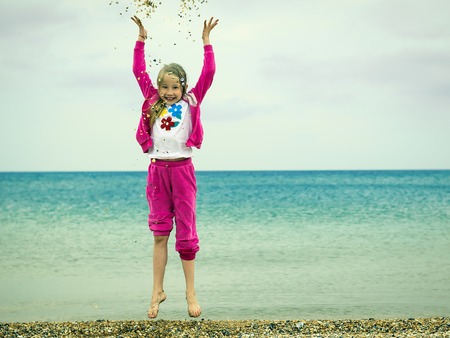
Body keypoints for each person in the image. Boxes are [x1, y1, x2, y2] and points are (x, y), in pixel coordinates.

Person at [131, 15, 219, 319]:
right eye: (164, 87)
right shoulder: (151, 100)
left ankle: (190, 291)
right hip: (157, 171)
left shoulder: (191, 100)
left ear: (182, 87)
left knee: (186, 236)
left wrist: (206, 44)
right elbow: (137, 70)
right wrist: (140, 41)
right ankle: (157, 290)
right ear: (158, 87)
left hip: (182, 171)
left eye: (174, 87)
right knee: (159, 233)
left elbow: (209, 73)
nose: (170, 92)